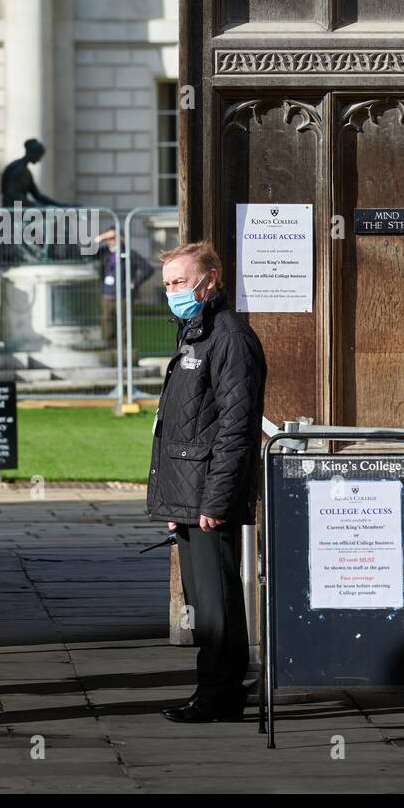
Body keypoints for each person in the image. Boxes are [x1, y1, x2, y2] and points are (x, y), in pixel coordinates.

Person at [146, 240, 267, 723]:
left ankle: (221, 697)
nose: (172, 291)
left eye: (180, 282)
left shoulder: (230, 336)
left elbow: (237, 428)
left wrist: (214, 501)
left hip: (207, 498)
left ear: (209, 280)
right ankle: (211, 691)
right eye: (168, 284)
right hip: (187, 493)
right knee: (203, 603)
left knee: (217, 605)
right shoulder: (195, 331)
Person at [91, 229, 152, 352]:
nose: (110, 241)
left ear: (121, 238)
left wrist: (135, 283)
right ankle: (110, 351)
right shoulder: (104, 253)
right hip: (107, 295)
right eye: (108, 238)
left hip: (123, 296)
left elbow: (148, 269)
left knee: (125, 325)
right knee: (107, 324)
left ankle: (126, 352)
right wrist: (99, 238)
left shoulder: (128, 254)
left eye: (113, 238)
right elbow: (85, 251)